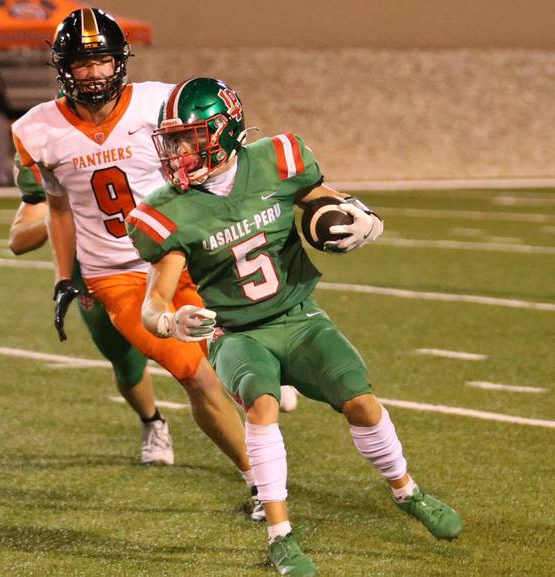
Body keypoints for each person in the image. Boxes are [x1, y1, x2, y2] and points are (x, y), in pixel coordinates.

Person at [128, 77, 463, 577]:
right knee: (262, 405)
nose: (178, 151)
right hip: (235, 331)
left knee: (361, 402)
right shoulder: (166, 210)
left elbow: (330, 200)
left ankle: (407, 491)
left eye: (190, 137)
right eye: (172, 140)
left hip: (298, 316)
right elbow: (153, 302)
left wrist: (366, 218)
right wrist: (172, 321)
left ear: (225, 131)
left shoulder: (277, 161)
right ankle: (280, 536)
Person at [10, 9, 263, 517]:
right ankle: (259, 481)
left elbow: (214, 156)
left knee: (257, 343)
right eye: (83, 63)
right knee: (194, 372)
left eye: (103, 59)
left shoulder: (158, 102)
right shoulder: (34, 131)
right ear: (63, 68)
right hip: (119, 274)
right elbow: (57, 207)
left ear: (120, 60)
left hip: (187, 250)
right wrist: (64, 278)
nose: (95, 73)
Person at [7, 200, 172, 466]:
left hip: (154, 254)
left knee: (201, 356)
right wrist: (60, 211)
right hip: (95, 275)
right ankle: (152, 421)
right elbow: (18, 240)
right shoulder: (45, 160)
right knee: (126, 361)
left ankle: (254, 454)